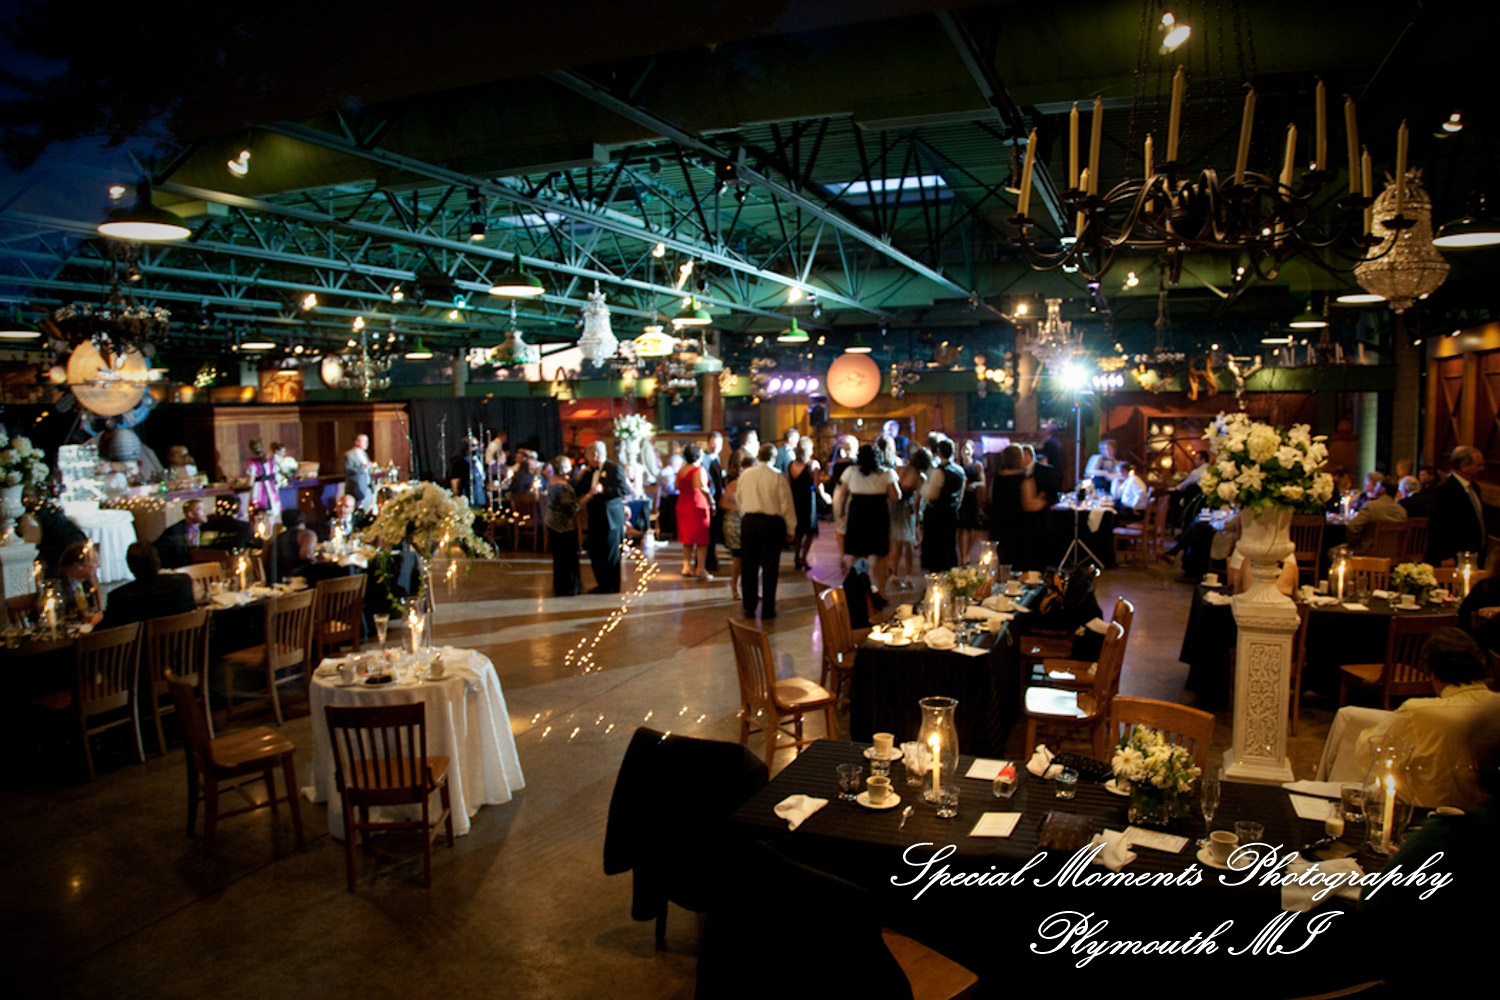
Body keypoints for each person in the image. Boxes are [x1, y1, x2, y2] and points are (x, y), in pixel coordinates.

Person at [1317, 628, 1500, 810]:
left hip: (1426, 817)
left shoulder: (1418, 712)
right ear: (1480, 663)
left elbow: (1370, 755)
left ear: (1431, 672)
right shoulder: (1495, 705)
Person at [737, 443, 798, 620]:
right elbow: (786, 504)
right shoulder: (778, 477)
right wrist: (791, 527)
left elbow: (739, 498)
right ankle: (768, 609)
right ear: (774, 458)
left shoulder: (746, 474)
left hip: (749, 521)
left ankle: (749, 607)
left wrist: (746, 514)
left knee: (749, 566)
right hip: (771, 523)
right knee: (770, 567)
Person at [836, 444, 901, 594]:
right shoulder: (887, 473)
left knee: (857, 554)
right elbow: (895, 496)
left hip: (857, 513)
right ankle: (881, 590)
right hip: (878, 514)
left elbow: (843, 493)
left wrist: (840, 511)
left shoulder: (851, 472)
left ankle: (859, 588)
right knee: (880, 554)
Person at [99, 542, 196, 630]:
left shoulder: (118, 597)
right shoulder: (183, 582)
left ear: (130, 567)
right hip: (183, 646)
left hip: (141, 649)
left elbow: (106, 634)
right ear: (158, 561)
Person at [1425, 444, 1492, 568]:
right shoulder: (1444, 490)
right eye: (1478, 465)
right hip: (1454, 556)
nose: (1482, 468)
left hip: (1474, 554)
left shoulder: (1474, 488)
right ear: (1464, 467)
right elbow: (1438, 525)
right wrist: (1445, 555)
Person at [578, 441, 626, 594]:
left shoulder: (614, 468)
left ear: (595, 455)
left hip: (610, 517)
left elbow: (623, 489)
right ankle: (601, 584)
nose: (587, 459)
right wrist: (580, 475)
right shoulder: (590, 471)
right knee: (596, 551)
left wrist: (604, 489)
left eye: (587, 455)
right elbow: (581, 489)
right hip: (594, 515)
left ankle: (612, 586)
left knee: (611, 552)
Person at [988, 445, 1044, 569]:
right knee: (1021, 565)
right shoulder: (1024, 479)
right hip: (1019, 528)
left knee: (1003, 565)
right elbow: (1029, 505)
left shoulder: (996, 479)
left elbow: (990, 500)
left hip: (1000, 527)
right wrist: (1043, 501)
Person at [920, 437, 964, 573]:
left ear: (939, 453)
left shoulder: (938, 472)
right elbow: (960, 494)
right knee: (950, 545)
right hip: (952, 512)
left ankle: (937, 575)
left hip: (937, 515)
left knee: (936, 547)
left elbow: (931, 494)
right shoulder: (959, 470)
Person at [675, 442, 714, 580]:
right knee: (702, 540)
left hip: (683, 503)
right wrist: (711, 501)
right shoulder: (699, 470)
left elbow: (677, 486)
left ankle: (686, 566)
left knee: (688, 539)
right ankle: (700, 569)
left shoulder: (682, 470)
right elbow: (702, 487)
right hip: (697, 504)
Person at [890, 447, 927, 589]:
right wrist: (917, 518)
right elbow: (917, 499)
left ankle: (894, 574)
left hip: (895, 506)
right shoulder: (920, 477)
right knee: (909, 543)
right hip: (908, 507)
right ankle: (907, 575)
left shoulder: (901, 469)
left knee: (896, 542)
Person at [545, 455, 582, 597]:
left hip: (553, 524)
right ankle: (569, 587)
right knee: (568, 557)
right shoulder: (561, 487)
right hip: (563, 526)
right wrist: (588, 497)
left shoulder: (553, 481)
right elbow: (571, 507)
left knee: (559, 558)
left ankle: (560, 586)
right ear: (564, 468)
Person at [786, 438, 824, 572]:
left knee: (798, 530)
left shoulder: (791, 465)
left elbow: (789, 483)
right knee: (809, 531)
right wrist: (825, 497)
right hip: (808, 500)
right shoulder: (813, 464)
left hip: (795, 500)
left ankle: (796, 557)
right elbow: (816, 485)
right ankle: (803, 557)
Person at [1345, 476, 1407, 553]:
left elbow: (1352, 527)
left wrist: (1353, 542)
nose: (1374, 488)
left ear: (1383, 489)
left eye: (1377, 486)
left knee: (1332, 552)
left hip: (1368, 551)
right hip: (1394, 552)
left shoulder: (1371, 507)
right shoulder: (1402, 511)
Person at [828, 433, 858, 572]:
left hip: (839, 493)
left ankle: (842, 556)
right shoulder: (857, 465)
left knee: (840, 527)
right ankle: (852, 556)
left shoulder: (838, 465)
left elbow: (833, 480)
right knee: (852, 525)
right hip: (853, 495)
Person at [721, 454, 748, 603]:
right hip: (735, 524)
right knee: (738, 558)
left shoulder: (747, 482)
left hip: (743, 522)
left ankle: (745, 588)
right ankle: (735, 588)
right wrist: (740, 508)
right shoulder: (734, 483)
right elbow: (723, 503)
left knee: (745, 558)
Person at [154, 497, 209, 569]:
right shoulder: (175, 531)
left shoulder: (206, 528)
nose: (205, 512)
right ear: (190, 514)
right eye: (200, 509)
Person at [55, 541, 103, 624]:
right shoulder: (58, 588)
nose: (98, 566)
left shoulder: (87, 583)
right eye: (94, 562)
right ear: (77, 567)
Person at [266, 510, 316, 583]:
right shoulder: (307, 534)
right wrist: (316, 559)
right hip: (299, 580)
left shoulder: (276, 537)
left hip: (276, 580)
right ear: (303, 520)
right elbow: (306, 555)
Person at [957, 438, 985, 565]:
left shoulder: (977, 465)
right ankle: (963, 557)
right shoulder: (958, 465)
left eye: (968, 449)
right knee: (962, 529)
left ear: (973, 451)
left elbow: (983, 482)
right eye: (963, 449)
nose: (966, 451)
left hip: (972, 499)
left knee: (972, 530)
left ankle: (967, 555)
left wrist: (975, 485)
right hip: (961, 499)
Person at [703, 431, 725, 574]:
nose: (715, 446)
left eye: (718, 444)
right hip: (709, 499)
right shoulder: (705, 459)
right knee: (709, 532)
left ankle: (711, 558)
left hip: (716, 498)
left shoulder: (717, 458)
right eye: (713, 443)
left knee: (714, 531)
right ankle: (708, 560)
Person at [243, 438, 281, 518]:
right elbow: (277, 479)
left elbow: (249, 483)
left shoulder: (252, 463)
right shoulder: (271, 461)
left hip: (258, 495)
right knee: (270, 521)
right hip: (272, 494)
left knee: (257, 519)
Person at [448, 437, 487, 507]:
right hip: (467, 499)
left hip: (479, 499)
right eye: (473, 446)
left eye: (477, 445)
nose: (476, 448)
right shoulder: (460, 463)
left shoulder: (478, 461)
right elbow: (455, 481)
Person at [344, 432, 374, 509]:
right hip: (356, 488)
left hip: (366, 487)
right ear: (357, 442)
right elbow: (348, 470)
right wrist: (362, 467)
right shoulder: (349, 455)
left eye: (367, 441)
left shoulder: (364, 454)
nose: (366, 443)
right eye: (364, 441)